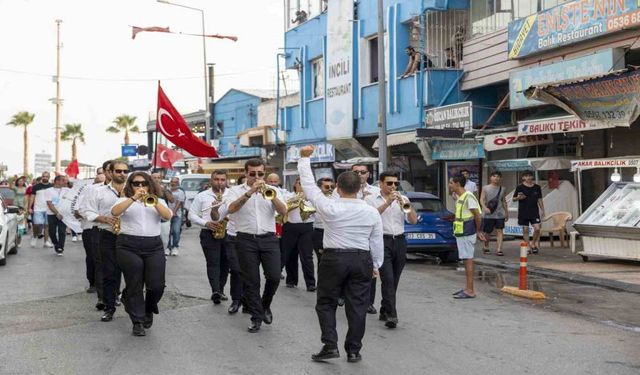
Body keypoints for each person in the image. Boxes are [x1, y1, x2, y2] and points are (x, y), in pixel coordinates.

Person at [297, 145, 383, 363]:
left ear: (337, 187)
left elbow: (308, 185)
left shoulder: (330, 207)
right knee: (358, 306)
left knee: (326, 302)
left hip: (334, 258)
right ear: (360, 188)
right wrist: (376, 265)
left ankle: (330, 345)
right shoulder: (371, 211)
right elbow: (376, 241)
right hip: (361, 258)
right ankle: (353, 350)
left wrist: (305, 158)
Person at [219, 158, 287, 333]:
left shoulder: (273, 190)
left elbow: (283, 211)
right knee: (251, 281)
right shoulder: (234, 191)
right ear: (246, 173)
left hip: (269, 238)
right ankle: (256, 316)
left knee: (273, 276)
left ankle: (265, 305)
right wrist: (249, 192)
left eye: (260, 173)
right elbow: (231, 209)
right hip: (245, 239)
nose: (256, 176)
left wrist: (271, 196)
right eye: (252, 173)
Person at [111, 172, 172, 336]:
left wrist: (154, 202)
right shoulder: (123, 200)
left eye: (144, 183)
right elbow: (115, 212)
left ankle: (148, 308)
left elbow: (167, 216)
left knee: (156, 285)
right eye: (136, 184)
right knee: (135, 282)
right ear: (130, 185)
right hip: (128, 245)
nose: (140, 187)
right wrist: (133, 199)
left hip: (153, 245)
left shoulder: (158, 200)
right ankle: (137, 320)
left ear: (149, 185)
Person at [365, 172, 417, 328]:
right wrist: (387, 203)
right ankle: (392, 315)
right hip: (382, 240)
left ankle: (384, 309)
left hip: (399, 240)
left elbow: (413, 221)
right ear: (380, 184)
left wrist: (406, 206)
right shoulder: (370, 199)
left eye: (395, 184)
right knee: (387, 278)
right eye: (389, 183)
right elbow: (371, 217)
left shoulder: (403, 199)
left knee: (394, 279)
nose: (393, 186)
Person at [82, 161, 126, 322]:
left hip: (128, 235)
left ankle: (124, 296)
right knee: (108, 271)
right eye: (118, 171)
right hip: (107, 234)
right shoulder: (97, 191)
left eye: (125, 171)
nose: (122, 173)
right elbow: (87, 211)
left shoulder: (132, 189)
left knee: (130, 271)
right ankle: (109, 306)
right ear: (110, 173)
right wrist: (105, 219)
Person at [339, 163, 380, 314]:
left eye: (363, 172)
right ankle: (343, 294)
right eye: (356, 172)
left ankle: (369, 301)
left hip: (369, 233)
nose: (360, 174)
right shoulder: (342, 191)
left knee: (370, 269)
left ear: (368, 174)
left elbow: (377, 215)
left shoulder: (375, 192)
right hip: (350, 235)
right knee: (347, 268)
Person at [189, 170, 232, 305]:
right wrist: (206, 223)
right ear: (211, 181)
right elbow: (192, 215)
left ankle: (221, 289)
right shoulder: (202, 196)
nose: (219, 182)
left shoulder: (232, 195)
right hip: (209, 232)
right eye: (216, 179)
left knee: (226, 264)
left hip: (229, 232)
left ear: (226, 181)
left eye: (222, 179)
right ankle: (215, 291)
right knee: (213, 263)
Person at [449, 176, 485, 299]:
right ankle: (467, 288)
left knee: (468, 260)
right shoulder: (461, 197)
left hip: (467, 232)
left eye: (451, 183)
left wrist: (479, 230)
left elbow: (477, 215)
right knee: (465, 259)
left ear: (458, 184)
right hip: (461, 232)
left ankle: (470, 290)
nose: (449, 185)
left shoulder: (468, 196)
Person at [282, 178, 317, 291]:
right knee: (290, 254)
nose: (302, 186)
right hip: (290, 226)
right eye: (300, 183)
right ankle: (291, 280)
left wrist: (306, 198)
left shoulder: (313, 198)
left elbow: (316, 211)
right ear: (295, 184)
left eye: (304, 184)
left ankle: (311, 283)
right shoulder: (288, 195)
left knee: (307, 256)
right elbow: (284, 208)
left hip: (307, 227)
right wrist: (297, 198)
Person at [76, 172, 106, 293]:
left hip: (107, 229)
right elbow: (77, 211)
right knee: (93, 257)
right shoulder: (87, 191)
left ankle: (107, 285)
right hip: (89, 229)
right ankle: (93, 283)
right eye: (98, 180)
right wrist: (92, 214)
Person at [513, 171, 545, 254]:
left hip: (534, 212)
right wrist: (519, 198)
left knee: (537, 228)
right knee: (526, 229)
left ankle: (533, 243)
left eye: (530, 176)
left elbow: (540, 199)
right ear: (523, 178)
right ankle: (527, 246)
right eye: (526, 176)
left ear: (532, 177)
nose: (528, 177)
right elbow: (514, 199)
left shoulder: (537, 187)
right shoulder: (519, 187)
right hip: (523, 211)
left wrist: (543, 210)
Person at [480, 171, 509, 256]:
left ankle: (499, 249)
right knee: (487, 232)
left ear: (500, 178)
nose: (496, 178)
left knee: (499, 230)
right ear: (490, 178)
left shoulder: (503, 189)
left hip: (500, 213)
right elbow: (482, 199)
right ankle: (486, 246)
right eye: (494, 176)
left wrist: (506, 212)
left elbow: (503, 201)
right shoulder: (485, 188)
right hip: (488, 214)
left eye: (498, 176)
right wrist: (485, 208)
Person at [45, 175, 70, 256]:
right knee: (51, 231)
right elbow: (49, 203)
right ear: (57, 181)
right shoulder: (49, 190)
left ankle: (60, 248)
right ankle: (56, 243)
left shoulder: (67, 190)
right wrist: (57, 213)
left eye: (65, 180)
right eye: (63, 180)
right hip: (52, 214)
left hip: (63, 214)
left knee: (62, 231)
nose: (65, 182)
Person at [152, 172, 175, 255]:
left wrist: (164, 190)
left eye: (158, 177)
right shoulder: (148, 188)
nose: (156, 179)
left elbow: (172, 200)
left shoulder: (165, 189)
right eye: (154, 177)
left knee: (164, 239)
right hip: (152, 218)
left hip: (163, 219)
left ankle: (164, 251)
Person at [30, 172, 53, 248]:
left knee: (47, 226)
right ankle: (34, 236)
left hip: (48, 209)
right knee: (37, 224)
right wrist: (30, 207)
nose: (45, 177)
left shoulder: (51, 186)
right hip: (38, 209)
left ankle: (46, 242)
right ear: (42, 177)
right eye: (43, 176)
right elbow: (32, 197)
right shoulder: (36, 186)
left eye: (46, 176)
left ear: (49, 177)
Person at [167, 177, 185, 255]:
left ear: (178, 183)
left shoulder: (180, 192)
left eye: (175, 182)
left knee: (176, 231)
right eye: (172, 181)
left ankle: (175, 247)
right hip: (166, 215)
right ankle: (168, 247)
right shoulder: (166, 191)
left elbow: (179, 203)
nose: (173, 183)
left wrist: (173, 212)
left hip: (176, 215)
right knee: (167, 232)